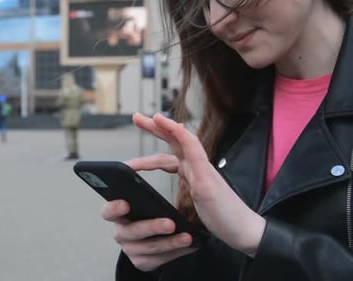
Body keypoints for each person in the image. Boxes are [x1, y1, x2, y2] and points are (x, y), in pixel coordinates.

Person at [100, 1, 353, 280]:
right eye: (204, 4)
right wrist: (157, 258)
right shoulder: (233, 103)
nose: (218, 20)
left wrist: (258, 238)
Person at [59, 73, 84, 160]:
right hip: (76, 113)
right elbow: (82, 102)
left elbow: (60, 103)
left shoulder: (64, 91)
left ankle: (70, 152)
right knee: (75, 135)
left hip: (67, 114)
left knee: (68, 134)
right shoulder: (79, 90)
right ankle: (76, 151)